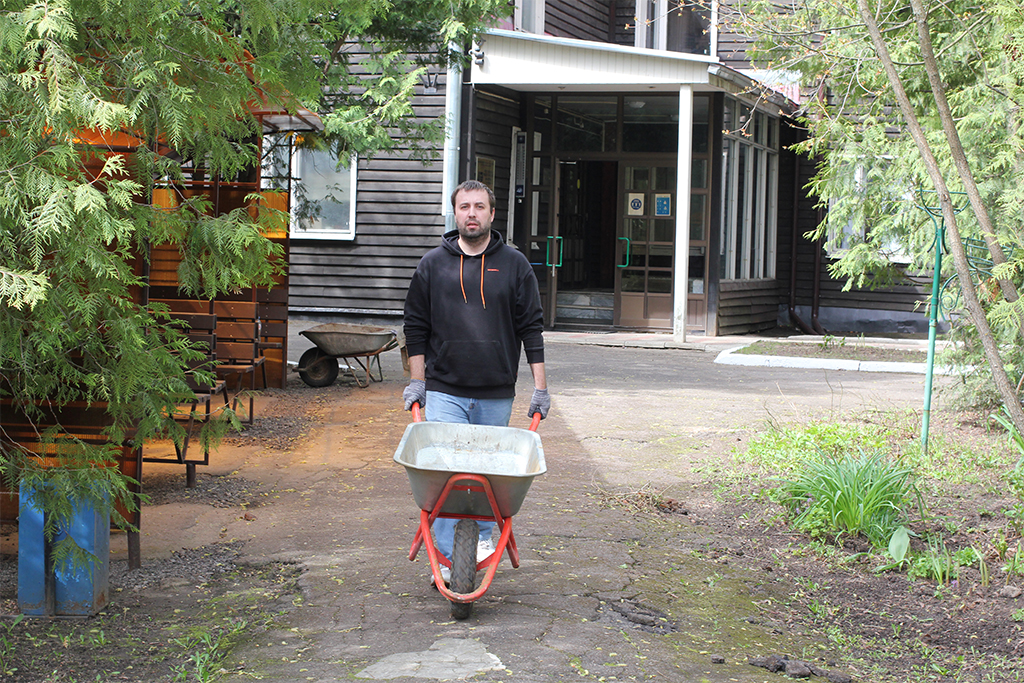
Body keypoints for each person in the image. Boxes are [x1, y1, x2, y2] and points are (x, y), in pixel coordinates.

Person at [402, 179, 549, 583]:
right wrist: (418, 382)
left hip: (495, 393)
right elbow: (415, 326)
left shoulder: (515, 265)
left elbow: (532, 328)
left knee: (486, 477)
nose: (471, 214)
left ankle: (480, 543)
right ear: (455, 213)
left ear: (492, 213)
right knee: (448, 476)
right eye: (464, 206)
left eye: (479, 206)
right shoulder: (433, 265)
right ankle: (450, 560)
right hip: (445, 389)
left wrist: (540, 388)